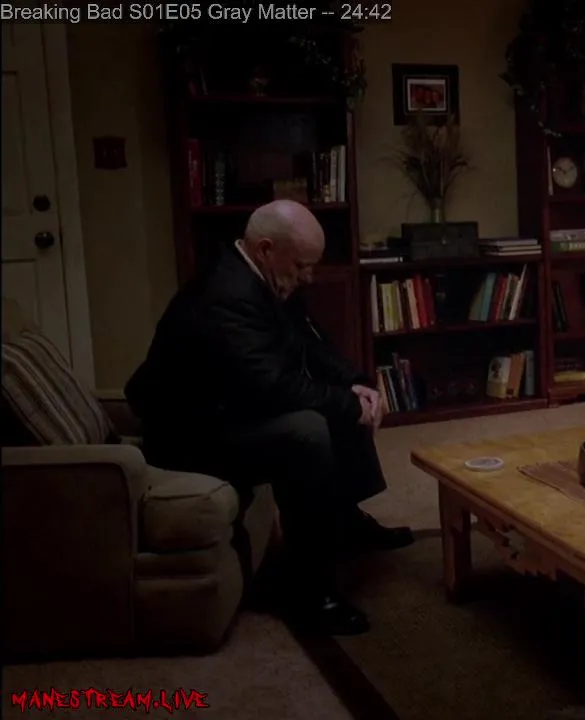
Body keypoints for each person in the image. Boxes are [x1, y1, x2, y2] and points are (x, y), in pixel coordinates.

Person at [125, 200, 412, 636]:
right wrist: (346, 404)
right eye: (301, 266)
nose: (308, 276)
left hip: (230, 408)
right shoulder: (225, 294)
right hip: (188, 433)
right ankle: (309, 589)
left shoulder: (267, 277)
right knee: (308, 430)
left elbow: (313, 344)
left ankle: (345, 521)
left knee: (344, 401)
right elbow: (271, 387)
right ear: (265, 249)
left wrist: (358, 384)